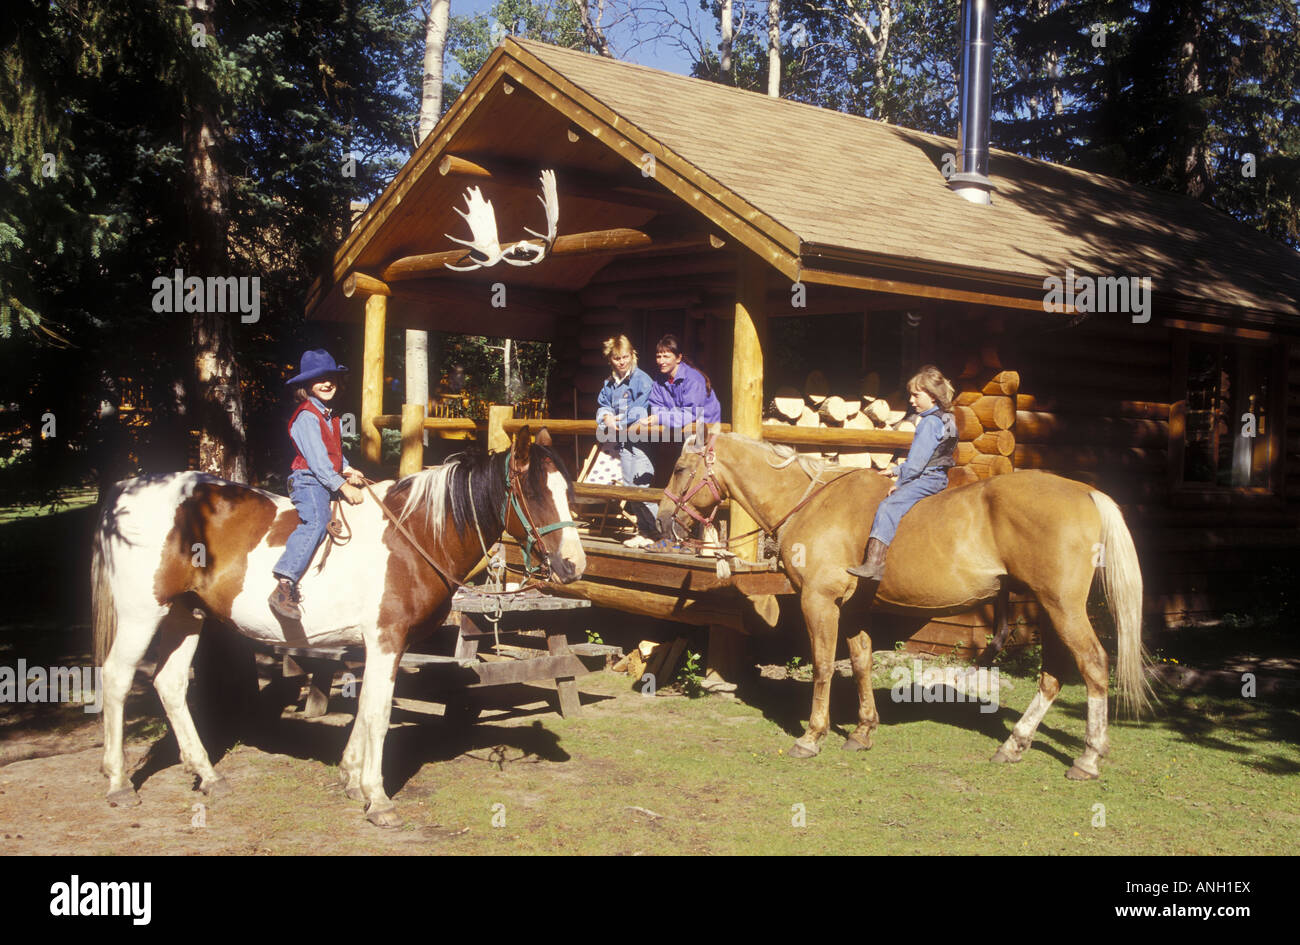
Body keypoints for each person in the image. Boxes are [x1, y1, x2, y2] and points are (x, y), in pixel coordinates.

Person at [270, 349, 366, 620]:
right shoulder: (307, 416)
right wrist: (342, 486)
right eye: (319, 379)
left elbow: (332, 452)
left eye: (331, 378)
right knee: (317, 520)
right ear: (306, 386)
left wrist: (347, 469)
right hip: (308, 480)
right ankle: (284, 584)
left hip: (324, 477)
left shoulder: (328, 415)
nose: (327, 383)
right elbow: (316, 460)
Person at [847, 365, 957, 583]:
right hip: (939, 477)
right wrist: (895, 469)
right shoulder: (948, 418)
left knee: (889, 506)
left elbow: (917, 463)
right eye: (910, 395)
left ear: (933, 396)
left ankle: (874, 564)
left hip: (927, 479)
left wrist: (901, 481)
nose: (911, 400)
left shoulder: (928, 422)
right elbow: (932, 456)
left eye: (916, 395)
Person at [595, 335, 660, 547]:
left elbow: (642, 407)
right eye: (617, 358)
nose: (622, 362)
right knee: (630, 487)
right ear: (610, 360)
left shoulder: (642, 379)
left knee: (641, 487)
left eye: (625, 357)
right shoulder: (609, 383)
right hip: (623, 442)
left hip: (640, 440)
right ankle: (644, 531)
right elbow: (603, 404)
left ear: (632, 356)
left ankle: (661, 532)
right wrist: (606, 417)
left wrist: (619, 420)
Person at [641, 333, 721, 434]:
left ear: (678, 358)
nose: (661, 361)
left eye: (666, 356)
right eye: (658, 356)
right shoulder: (659, 380)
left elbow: (691, 414)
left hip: (707, 429)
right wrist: (668, 418)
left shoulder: (693, 379)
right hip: (678, 429)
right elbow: (656, 407)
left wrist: (661, 418)